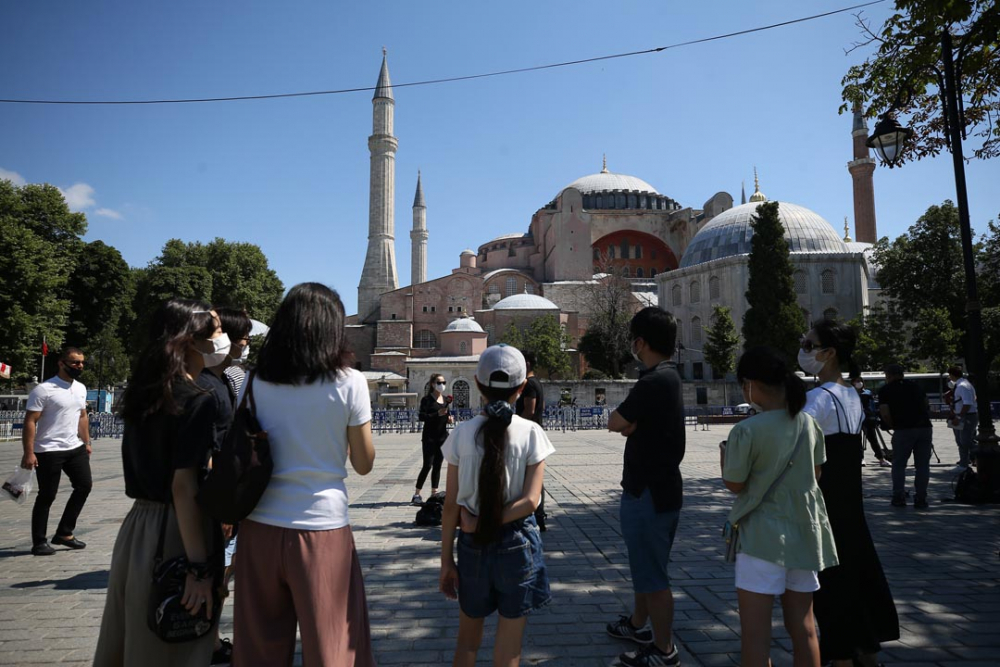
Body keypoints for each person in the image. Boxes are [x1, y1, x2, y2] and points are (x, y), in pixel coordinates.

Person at [232, 283, 376, 667]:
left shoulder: (253, 381)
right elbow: (364, 463)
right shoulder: (349, 382)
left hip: (259, 526)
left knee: (258, 649)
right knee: (333, 648)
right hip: (321, 527)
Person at [94, 299, 226, 666]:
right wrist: (198, 569)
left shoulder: (144, 394)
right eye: (215, 330)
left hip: (136, 529)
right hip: (174, 532)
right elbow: (182, 487)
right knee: (173, 646)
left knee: (130, 637)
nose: (222, 338)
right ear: (189, 341)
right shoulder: (197, 400)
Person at [721, 346, 837, 667]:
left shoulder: (746, 430)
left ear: (751, 385)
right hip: (804, 534)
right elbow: (815, 474)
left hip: (762, 537)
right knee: (805, 628)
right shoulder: (808, 424)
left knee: (756, 635)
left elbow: (735, 484)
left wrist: (724, 457)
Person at [439, 344, 554, 667]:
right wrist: (493, 521)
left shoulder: (461, 434)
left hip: (473, 545)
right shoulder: (532, 433)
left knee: (467, 644)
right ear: (522, 388)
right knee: (509, 649)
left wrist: (447, 561)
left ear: (477, 384)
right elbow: (531, 501)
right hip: (517, 546)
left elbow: (450, 505)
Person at [799, 319, 899, 667]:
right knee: (855, 573)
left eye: (809, 345)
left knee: (830, 583)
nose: (804, 350)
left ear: (829, 353)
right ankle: (865, 649)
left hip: (823, 503)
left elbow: (798, 452)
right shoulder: (852, 395)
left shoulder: (815, 400)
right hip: (850, 504)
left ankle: (840, 654)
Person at [605, 306, 685, 667]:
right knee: (645, 567)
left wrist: (628, 425)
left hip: (649, 491)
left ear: (640, 342)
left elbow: (615, 421)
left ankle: (664, 650)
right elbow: (628, 424)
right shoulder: (669, 376)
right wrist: (631, 426)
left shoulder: (653, 381)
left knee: (653, 576)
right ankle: (638, 625)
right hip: (657, 487)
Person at [201, 305, 251, 665]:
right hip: (215, 489)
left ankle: (211, 636)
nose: (246, 343)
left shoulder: (222, 378)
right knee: (216, 563)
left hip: (222, 485)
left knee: (221, 563)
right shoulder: (216, 383)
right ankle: (208, 638)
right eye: (243, 337)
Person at [21, 347, 92, 556]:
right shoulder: (44, 389)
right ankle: (39, 541)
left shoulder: (80, 388)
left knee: (84, 486)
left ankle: (64, 532)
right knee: (47, 495)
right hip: (48, 449)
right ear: (61, 363)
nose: (79, 366)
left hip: (74, 447)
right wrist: (29, 452)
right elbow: (30, 421)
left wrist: (86, 442)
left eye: (81, 363)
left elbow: (82, 416)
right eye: (75, 363)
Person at [878, 364, 933, 509]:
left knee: (899, 464)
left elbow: (884, 412)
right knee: (922, 465)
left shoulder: (885, 390)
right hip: (924, 428)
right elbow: (926, 404)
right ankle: (921, 498)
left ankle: (899, 497)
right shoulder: (916, 386)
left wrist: (892, 426)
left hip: (903, 429)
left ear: (888, 375)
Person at [515, 350, 547, 530]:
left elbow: (530, 410)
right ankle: (538, 514)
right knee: (534, 475)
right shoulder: (537, 383)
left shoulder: (529, 385)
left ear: (526, 364)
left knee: (529, 476)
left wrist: (516, 427)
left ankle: (537, 513)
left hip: (528, 435)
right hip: (535, 432)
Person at [413, 373, 452, 505]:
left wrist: (449, 419)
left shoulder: (446, 400)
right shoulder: (426, 400)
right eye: (439, 382)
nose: (442, 385)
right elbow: (422, 416)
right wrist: (437, 414)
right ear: (433, 384)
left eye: (444, 382)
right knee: (427, 465)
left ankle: (434, 493)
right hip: (429, 437)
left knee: (438, 465)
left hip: (442, 437)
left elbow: (447, 415)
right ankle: (417, 494)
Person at [851, 376, 889, 467]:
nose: (859, 383)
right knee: (857, 440)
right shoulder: (850, 393)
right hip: (855, 419)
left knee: (873, 439)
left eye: (860, 381)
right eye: (856, 381)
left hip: (867, 419)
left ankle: (881, 459)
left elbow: (872, 406)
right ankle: (861, 458)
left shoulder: (867, 393)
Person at [946, 365, 978, 470]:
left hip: (966, 416)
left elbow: (967, 403)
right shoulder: (961, 384)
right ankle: (964, 463)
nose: (949, 377)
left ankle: (984, 454)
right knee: (961, 441)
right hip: (963, 415)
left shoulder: (962, 386)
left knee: (966, 441)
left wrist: (959, 417)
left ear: (952, 375)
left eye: (949, 375)